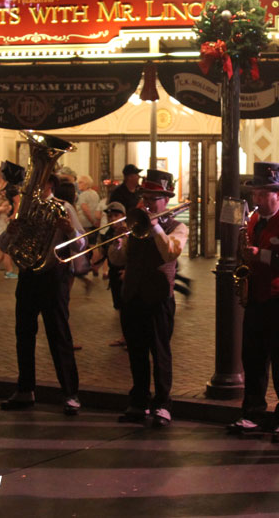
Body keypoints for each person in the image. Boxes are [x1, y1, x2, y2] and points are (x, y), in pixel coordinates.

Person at [227, 162, 279, 443]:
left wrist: (260, 255)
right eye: (255, 193)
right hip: (257, 298)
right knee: (253, 359)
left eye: (263, 194)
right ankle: (253, 412)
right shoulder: (253, 220)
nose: (257, 199)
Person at [108, 170, 188, 427]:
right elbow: (118, 260)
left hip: (158, 297)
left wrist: (154, 227)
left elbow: (169, 254)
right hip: (132, 295)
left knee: (160, 352)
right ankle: (139, 401)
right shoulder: (134, 227)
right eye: (146, 196)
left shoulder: (177, 227)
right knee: (137, 352)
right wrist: (118, 240)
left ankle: (163, 404)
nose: (149, 202)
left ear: (166, 200)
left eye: (154, 197)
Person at [1, 172, 85, 415]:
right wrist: (12, 231)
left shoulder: (63, 207)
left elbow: (81, 245)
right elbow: (6, 246)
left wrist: (69, 231)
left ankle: (70, 393)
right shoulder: (25, 208)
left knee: (59, 335)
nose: (32, 186)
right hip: (28, 276)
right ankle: (25, 389)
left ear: (50, 183)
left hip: (52, 276)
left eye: (38, 181)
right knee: (24, 334)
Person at [101, 201, 129, 347]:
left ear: (123, 216)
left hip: (127, 273)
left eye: (116, 215)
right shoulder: (108, 233)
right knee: (119, 306)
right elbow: (104, 254)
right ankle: (125, 336)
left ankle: (130, 337)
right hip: (114, 274)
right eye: (110, 216)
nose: (112, 219)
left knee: (128, 307)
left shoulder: (130, 230)